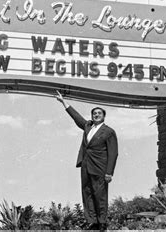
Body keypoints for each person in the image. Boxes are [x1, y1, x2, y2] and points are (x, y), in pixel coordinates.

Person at [56, 91, 118, 231]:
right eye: (94, 113)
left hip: (100, 168)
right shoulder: (88, 127)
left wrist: (109, 172)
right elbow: (76, 117)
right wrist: (63, 102)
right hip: (85, 166)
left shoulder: (109, 132)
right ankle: (93, 222)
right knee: (87, 194)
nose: (96, 115)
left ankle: (102, 222)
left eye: (99, 113)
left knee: (100, 195)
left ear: (104, 116)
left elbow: (113, 153)